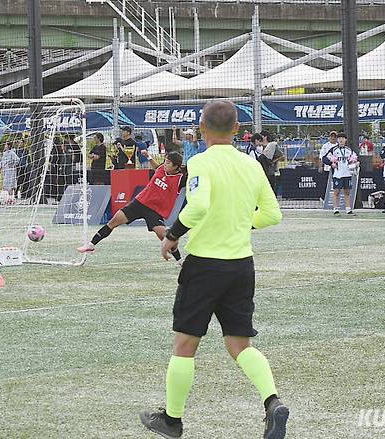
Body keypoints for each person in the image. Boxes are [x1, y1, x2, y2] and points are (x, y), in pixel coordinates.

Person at [140, 100, 288, 439]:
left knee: (184, 345)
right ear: (236, 129)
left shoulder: (200, 162)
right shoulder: (251, 165)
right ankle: (272, 402)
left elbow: (199, 205)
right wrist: (240, 223)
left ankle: (172, 420)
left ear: (202, 130)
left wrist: (173, 236)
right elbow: (272, 214)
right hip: (241, 266)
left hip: (205, 265)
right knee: (240, 345)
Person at [77, 152, 185, 264]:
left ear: (176, 166)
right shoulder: (161, 168)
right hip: (139, 203)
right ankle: (91, 244)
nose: (165, 164)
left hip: (155, 211)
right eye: (165, 161)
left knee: (165, 236)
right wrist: (148, 156)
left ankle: (180, 260)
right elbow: (157, 167)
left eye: (168, 163)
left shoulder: (180, 179)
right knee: (114, 221)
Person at [322, 132, 357, 215]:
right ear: (337, 140)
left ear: (346, 140)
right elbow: (324, 158)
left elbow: (355, 159)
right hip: (337, 174)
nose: (341, 140)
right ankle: (335, 208)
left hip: (347, 174)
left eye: (343, 138)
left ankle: (348, 208)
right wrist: (331, 164)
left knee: (347, 191)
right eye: (339, 138)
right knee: (336, 191)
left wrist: (356, 163)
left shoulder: (349, 150)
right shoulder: (334, 150)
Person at [318, 131, 338, 199]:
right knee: (326, 183)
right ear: (329, 137)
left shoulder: (338, 145)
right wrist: (321, 166)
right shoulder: (325, 146)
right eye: (331, 136)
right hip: (327, 168)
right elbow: (321, 157)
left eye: (334, 136)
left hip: (337, 169)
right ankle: (323, 197)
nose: (333, 138)